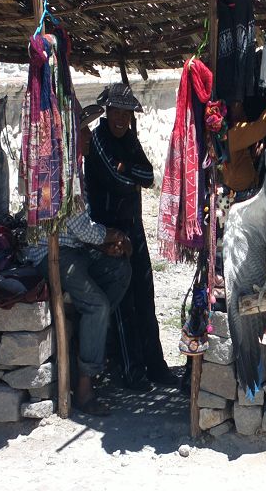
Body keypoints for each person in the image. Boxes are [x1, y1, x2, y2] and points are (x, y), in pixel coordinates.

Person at [28, 103, 132, 416]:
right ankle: (84, 389)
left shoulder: (75, 168)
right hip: (52, 255)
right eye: (83, 131)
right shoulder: (62, 172)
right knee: (97, 306)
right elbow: (80, 227)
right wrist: (112, 236)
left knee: (120, 270)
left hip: (74, 250)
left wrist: (105, 245)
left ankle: (88, 340)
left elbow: (79, 229)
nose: (88, 136)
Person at [85, 83, 174, 387]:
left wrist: (129, 170)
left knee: (145, 297)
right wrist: (129, 173)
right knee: (124, 303)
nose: (121, 119)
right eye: (117, 112)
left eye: (127, 113)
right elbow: (117, 180)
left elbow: (148, 176)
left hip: (134, 227)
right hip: (109, 232)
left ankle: (156, 366)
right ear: (107, 111)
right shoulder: (98, 139)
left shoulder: (130, 140)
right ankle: (131, 370)